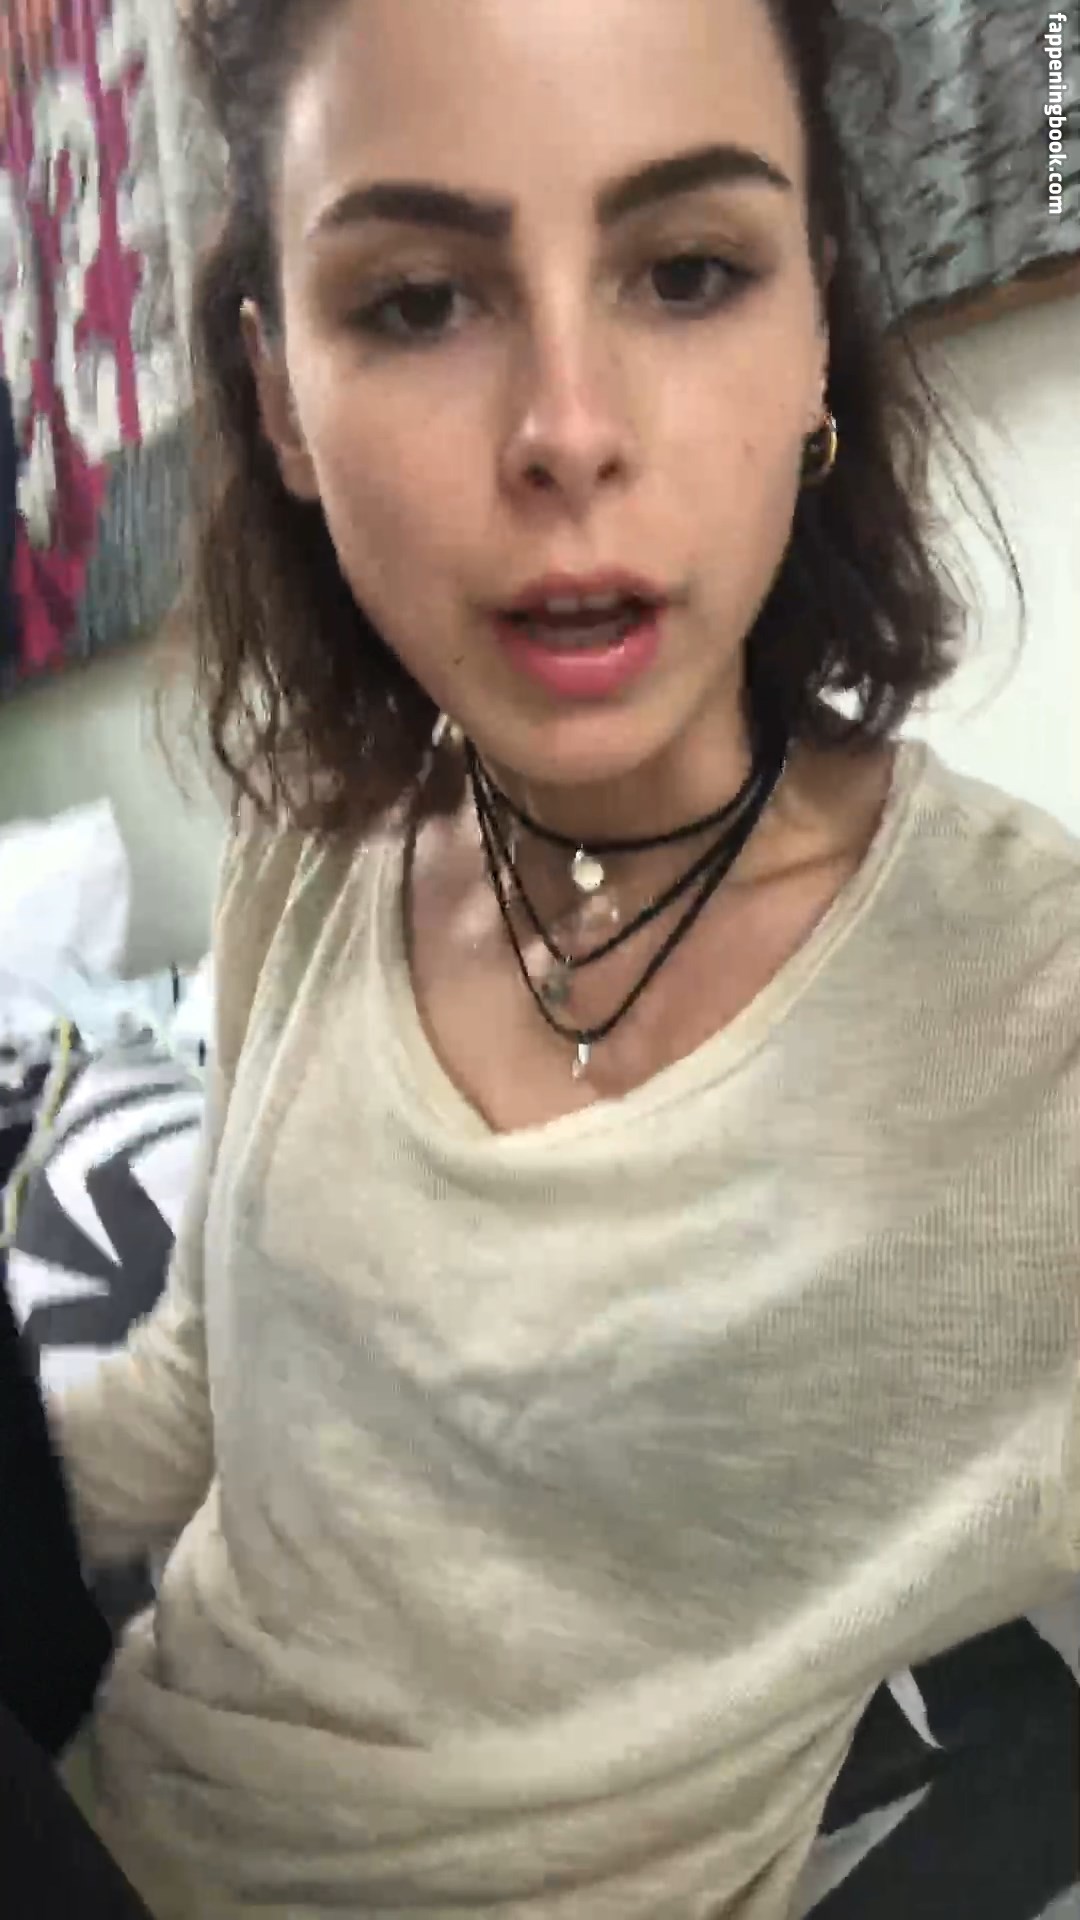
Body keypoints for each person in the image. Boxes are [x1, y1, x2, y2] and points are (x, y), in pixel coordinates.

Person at [52, 0, 1080, 1914]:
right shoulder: (310, 853)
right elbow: (204, 1397)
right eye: (418, 302)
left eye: (688, 273)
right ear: (280, 401)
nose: (570, 434)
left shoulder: (1034, 1028)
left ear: (817, 323)